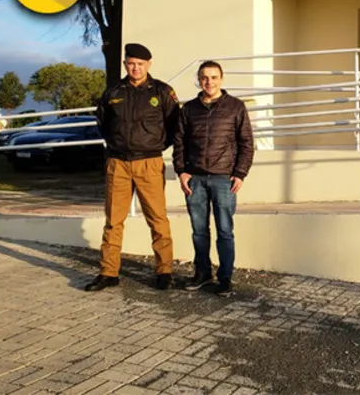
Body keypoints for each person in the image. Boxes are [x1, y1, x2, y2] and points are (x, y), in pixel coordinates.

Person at [84, 43, 181, 292]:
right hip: (118, 164)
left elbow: (174, 126)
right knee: (113, 221)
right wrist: (117, 145)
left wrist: (153, 146)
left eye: (140, 64)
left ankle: (164, 272)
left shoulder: (162, 91)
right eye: (131, 63)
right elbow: (103, 123)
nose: (135, 68)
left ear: (149, 64)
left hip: (149, 163)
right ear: (125, 64)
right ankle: (108, 272)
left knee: (157, 219)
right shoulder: (113, 92)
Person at [172, 60, 254, 297]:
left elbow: (246, 143)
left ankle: (225, 278)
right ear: (199, 80)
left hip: (224, 179)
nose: (209, 82)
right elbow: (179, 142)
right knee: (199, 231)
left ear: (221, 79)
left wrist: (240, 173)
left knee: (225, 231)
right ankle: (203, 273)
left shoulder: (236, 107)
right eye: (204, 77)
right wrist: (181, 171)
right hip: (195, 179)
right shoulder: (189, 109)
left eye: (214, 77)